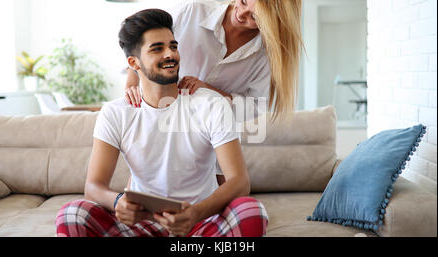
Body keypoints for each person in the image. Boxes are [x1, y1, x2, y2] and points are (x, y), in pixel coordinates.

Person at [55, 8, 268, 237]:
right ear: (133, 63)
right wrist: (117, 202)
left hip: (199, 222)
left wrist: (195, 213)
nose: (170, 54)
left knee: (251, 212)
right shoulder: (115, 113)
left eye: (173, 46)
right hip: (140, 225)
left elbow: (239, 181)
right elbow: (93, 186)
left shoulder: (211, 104)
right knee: (72, 214)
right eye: (157, 49)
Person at [124, 0, 303, 184]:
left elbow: (253, 109)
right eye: (242, 2)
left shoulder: (266, 55)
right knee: (144, 192)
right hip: (166, 128)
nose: (241, 14)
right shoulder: (193, 12)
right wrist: (132, 79)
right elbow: (142, 39)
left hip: (216, 144)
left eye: (255, 17)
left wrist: (209, 91)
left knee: (220, 198)